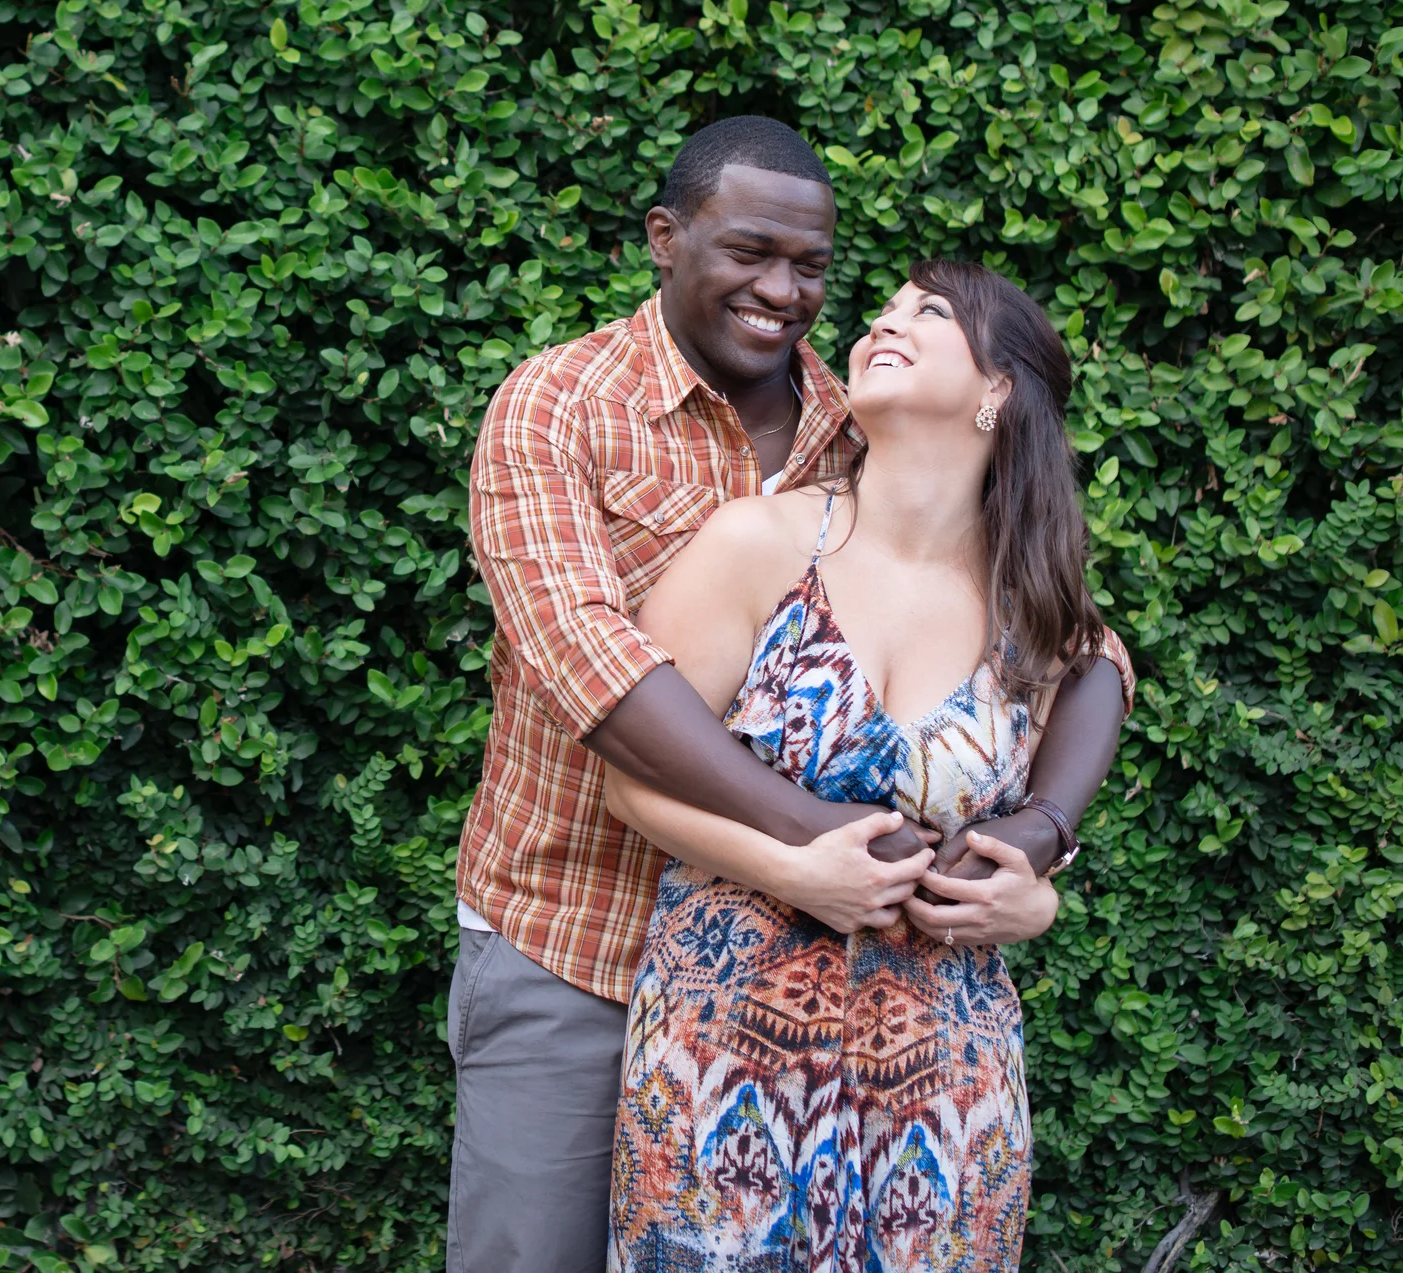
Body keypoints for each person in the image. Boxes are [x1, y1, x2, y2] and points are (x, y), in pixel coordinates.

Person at [449, 116, 1130, 1273]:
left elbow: (1081, 649)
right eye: (748, 252)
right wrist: (814, 839)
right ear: (666, 239)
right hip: (571, 932)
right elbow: (597, 675)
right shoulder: (555, 406)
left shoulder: (849, 423)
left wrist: (1037, 852)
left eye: (810, 266)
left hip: (836, 983)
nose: (784, 290)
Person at [602, 260, 1109, 1270]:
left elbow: (1100, 687)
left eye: (927, 313)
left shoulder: (1036, 606)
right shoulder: (758, 544)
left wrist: (1039, 888)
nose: (882, 323)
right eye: (880, 311)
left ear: (998, 391)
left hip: (946, 1088)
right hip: (720, 1059)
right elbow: (631, 778)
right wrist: (785, 869)